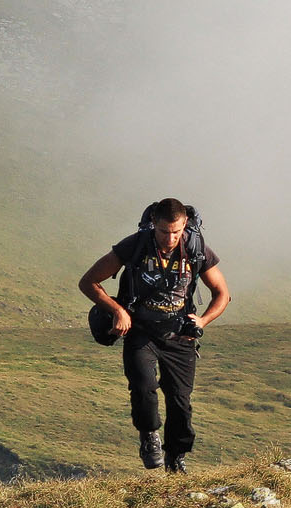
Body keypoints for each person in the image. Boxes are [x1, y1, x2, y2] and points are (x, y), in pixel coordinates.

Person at [78, 197, 231, 473]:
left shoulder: (197, 249)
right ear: (153, 225)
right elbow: (88, 281)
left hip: (180, 336)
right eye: (163, 231)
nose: (170, 238)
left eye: (176, 232)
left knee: (180, 403)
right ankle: (149, 436)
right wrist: (117, 311)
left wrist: (203, 320)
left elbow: (223, 294)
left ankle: (176, 458)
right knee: (143, 386)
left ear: (185, 224)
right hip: (140, 332)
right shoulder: (135, 246)